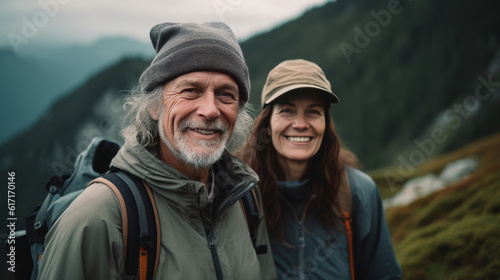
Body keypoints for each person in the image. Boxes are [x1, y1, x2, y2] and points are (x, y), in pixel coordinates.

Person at [38, 22, 277, 280]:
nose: (210, 110)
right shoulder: (97, 217)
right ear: (154, 106)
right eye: (190, 91)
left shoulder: (245, 198)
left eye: (226, 94)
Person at [238, 59, 402, 280]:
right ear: (268, 122)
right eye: (287, 110)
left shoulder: (359, 192)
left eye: (313, 111)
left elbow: (385, 276)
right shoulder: (243, 197)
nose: (301, 123)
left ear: (326, 122)